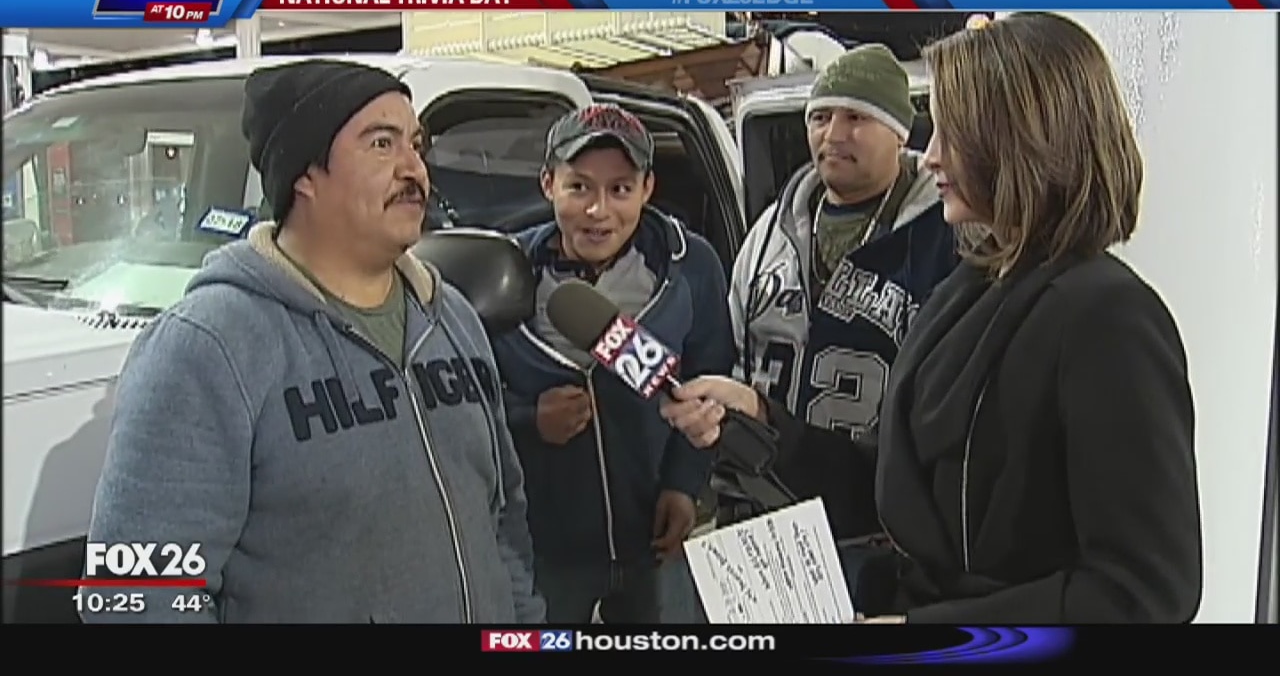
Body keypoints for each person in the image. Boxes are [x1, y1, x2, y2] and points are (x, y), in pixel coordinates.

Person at [662, 12, 1203, 623]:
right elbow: (893, 491)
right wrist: (759, 418)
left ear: (1021, 141)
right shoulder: (968, 289)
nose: (930, 157)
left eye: (953, 134)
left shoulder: (1110, 319)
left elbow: (1143, 593)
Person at [80, 60, 544, 623]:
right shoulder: (208, 349)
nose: (414, 169)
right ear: (305, 174)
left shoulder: (453, 320)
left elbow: (504, 522)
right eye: (382, 143)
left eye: (416, 145)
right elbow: (135, 599)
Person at [665, 44, 959, 541]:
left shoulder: (947, 236)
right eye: (820, 117)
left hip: (880, 524)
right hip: (764, 510)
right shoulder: (769, 233)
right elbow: (730, 353)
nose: (833, 134)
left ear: (900, 130)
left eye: (856, 117)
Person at [490, 104, 734, 623]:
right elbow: (465, 405)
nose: (598, 210)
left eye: (620, 189)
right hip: (546, 554)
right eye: (579, 188)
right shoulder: (500, 276)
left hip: (656, 543)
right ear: (548, 184)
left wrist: (683, 485)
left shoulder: (690, 266)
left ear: (648, 189)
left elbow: (711, 382)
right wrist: (529, 419)